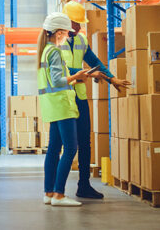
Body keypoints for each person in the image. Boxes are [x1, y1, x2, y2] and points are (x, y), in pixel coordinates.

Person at [61, 1, 131, 199]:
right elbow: (62, 71)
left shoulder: (81, 40)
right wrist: (87, 74)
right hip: (63, 99)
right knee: (64, 146)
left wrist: (112, 78)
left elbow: (95, 63)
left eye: (79, 24)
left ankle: (84, 185)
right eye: (75, 23)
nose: (78, 27)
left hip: (80, 98)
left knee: (85, 143)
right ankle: (57, 190)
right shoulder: (56, 41)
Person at [38, 12, 100, 207]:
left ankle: (49, 193)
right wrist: (77, 76)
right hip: (62, 104)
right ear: (58, 32)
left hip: (52, 105)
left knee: (54, 148)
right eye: (66, 32)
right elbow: (57, 80)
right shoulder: (55, 52)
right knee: (71, 148)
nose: (68, 36)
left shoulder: (45, 50)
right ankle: (59, 194)